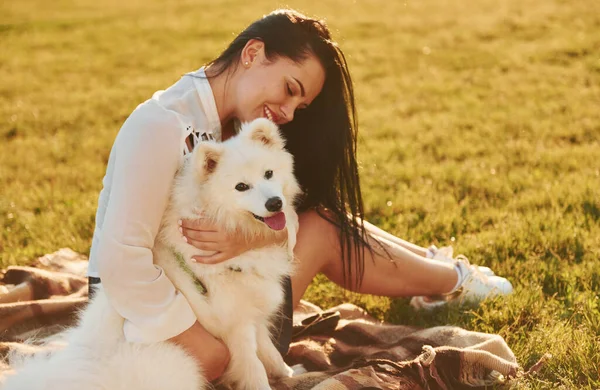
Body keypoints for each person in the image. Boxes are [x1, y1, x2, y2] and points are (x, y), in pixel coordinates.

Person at [87, 9, 513, 381]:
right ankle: (453, 282)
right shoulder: (160, 125)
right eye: (290, 89)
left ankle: (442, 274)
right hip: (161, 321)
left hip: (226, 296)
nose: (288, 113)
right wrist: (200, 343)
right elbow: (121, 258)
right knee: (323, 229)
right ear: (252, 53)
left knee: (317, 216)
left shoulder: (234, 126)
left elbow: (281, 223)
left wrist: (255, 237)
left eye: (300, 106)